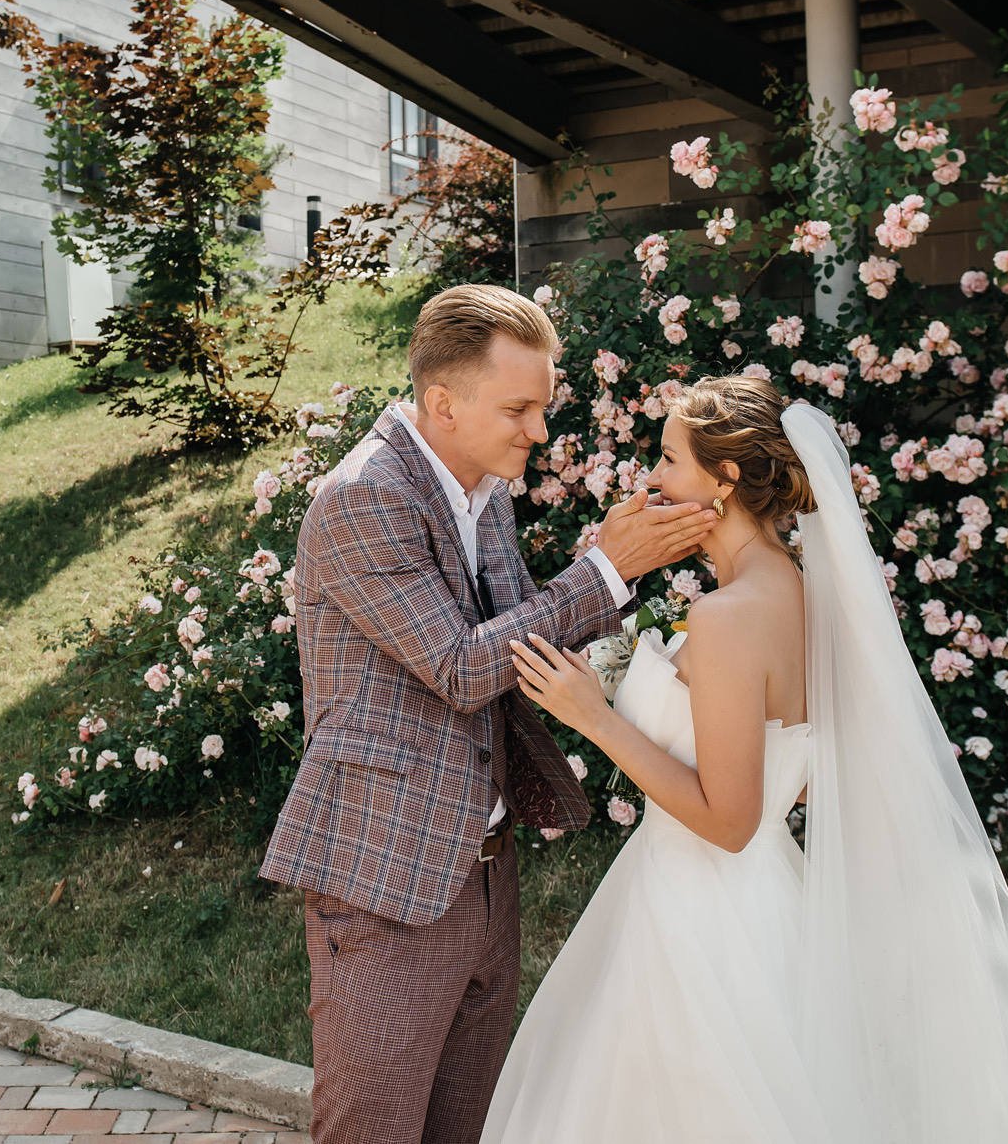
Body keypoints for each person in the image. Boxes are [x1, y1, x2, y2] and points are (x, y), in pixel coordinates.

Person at [486, 376, 1008, 1144]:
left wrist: (595, 718)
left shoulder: (727, 616)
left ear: (725, 480)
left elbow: (729, 820)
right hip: (754, 900)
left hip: (700, 921)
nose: (653, 478)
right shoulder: (790, 591)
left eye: (667, 459)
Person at [261, 284, 718, 1144]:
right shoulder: (363, 497)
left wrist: (613, 572)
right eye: (519, 408)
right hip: (386, 880)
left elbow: (521, 640)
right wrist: (607, 571)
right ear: (444, 402)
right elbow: (461, 666)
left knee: (466, 1131)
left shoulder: (485, 495)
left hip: (487, 874)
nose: (538, 433)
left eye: (541, 408)